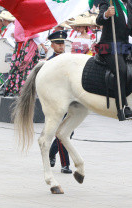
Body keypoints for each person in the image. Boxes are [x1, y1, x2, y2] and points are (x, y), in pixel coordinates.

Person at [96, 0, 132, 121]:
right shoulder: (108, 2)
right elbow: (98, 19)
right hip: (109, 46)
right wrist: (106, 14)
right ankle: (121, 107)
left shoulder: (131, 7)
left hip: (125, 46)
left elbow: (131, 29)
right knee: (121, 69)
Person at [47, 30, 73, 174]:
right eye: (58, 43)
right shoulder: (50, 63)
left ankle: (51, 152)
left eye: (62, 43)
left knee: (69, 131)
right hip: (56, 101)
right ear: (52, 45)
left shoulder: (69, 59)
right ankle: (65, 165)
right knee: (64, 132)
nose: (61, 46)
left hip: (71, 99)